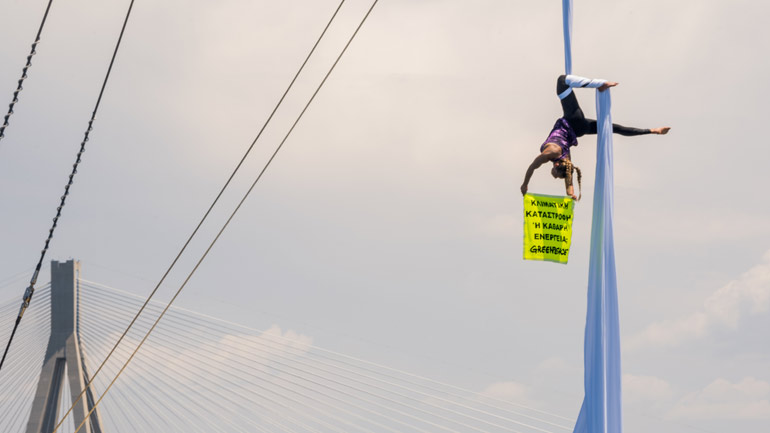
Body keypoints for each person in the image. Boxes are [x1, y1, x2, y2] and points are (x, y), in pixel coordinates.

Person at [520, 75, 670, 200]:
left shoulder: (565, 160)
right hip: (574, 121)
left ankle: (653, 131)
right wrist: (525, 184)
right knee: (561, 81)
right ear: (557, 166)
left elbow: (568, 182)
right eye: (555, 176)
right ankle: (600, 84)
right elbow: (533, 166)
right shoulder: (551, 155)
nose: (553, 176)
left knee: (613, 128)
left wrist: (571, 194)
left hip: (580, 129)